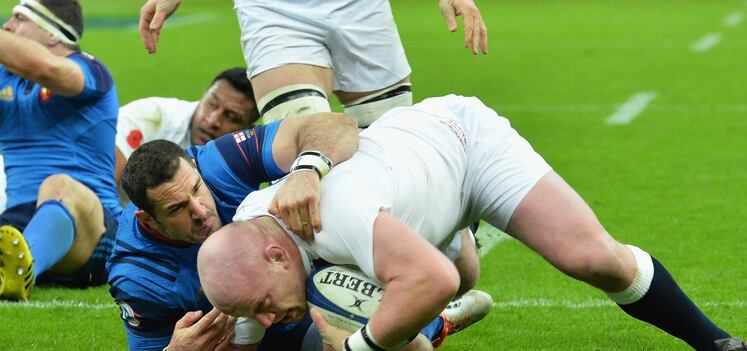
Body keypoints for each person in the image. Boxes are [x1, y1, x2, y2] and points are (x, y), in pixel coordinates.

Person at [199, 95, 747, 351]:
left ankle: (719, 344)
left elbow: (435, 281)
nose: (266, 319)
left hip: (464, 144)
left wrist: (356, 350)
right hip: (407, 191)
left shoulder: (331, 214)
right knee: (435, 300)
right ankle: (448, 228)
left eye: (263, 308)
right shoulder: (248, 265)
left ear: (278, 255)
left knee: (593, 259)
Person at [108, 113, 490, 351]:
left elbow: (337, 124)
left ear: (194, 168)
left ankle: (441, 241)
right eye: (177, 209)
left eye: (196, 189)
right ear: (149, 219)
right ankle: (435, 323)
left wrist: (306, 169)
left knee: (464, 271)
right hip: (258, 321)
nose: (200, 210)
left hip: (305, 263)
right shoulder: (136, 268)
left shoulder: (218, 163)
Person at [137, 0, 488, 127]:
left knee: (389, 141)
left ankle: (419, 266)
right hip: (275, 10)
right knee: (305, 141)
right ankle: (325, 273)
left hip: (360, 8)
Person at [0, 0, 119, 301]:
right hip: (17, 223)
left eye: (19, 18)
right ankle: (14, 267)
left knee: (58, 184)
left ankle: (21, 268)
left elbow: (44, 66)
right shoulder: (6, 79)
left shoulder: (90, 70)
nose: (8, 27)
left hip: (91, 227)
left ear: (53, 33)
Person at [113, 66, 259, 204]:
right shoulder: (151, 116)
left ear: (247, 130)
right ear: (204, 95)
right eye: (212, 103)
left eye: (231, 116)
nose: (212, 120)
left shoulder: (245, 167)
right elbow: (100, 177)